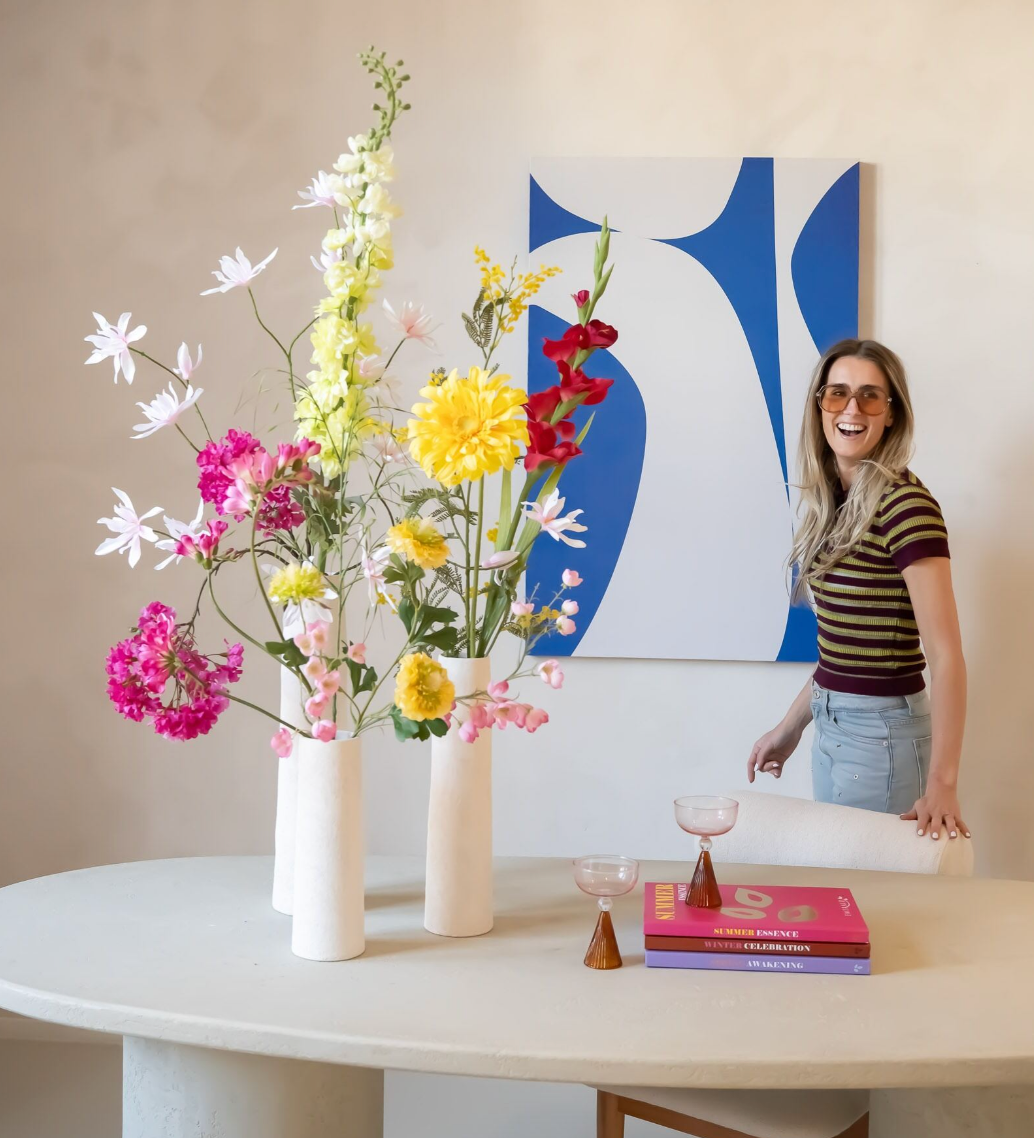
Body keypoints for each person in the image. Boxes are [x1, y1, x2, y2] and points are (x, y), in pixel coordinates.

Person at [747, 339, 969, 841]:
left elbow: (946, 655)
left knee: (864, 885)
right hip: (834, 725)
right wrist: (790, 728)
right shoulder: (836, 504)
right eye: (838, 393)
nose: (851, 409)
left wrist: (943, 783)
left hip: (881, 738)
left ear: (891, 414)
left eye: (870, 396)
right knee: (841, 882)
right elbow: (844, 651)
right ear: (819, 406)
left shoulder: (906, 506)